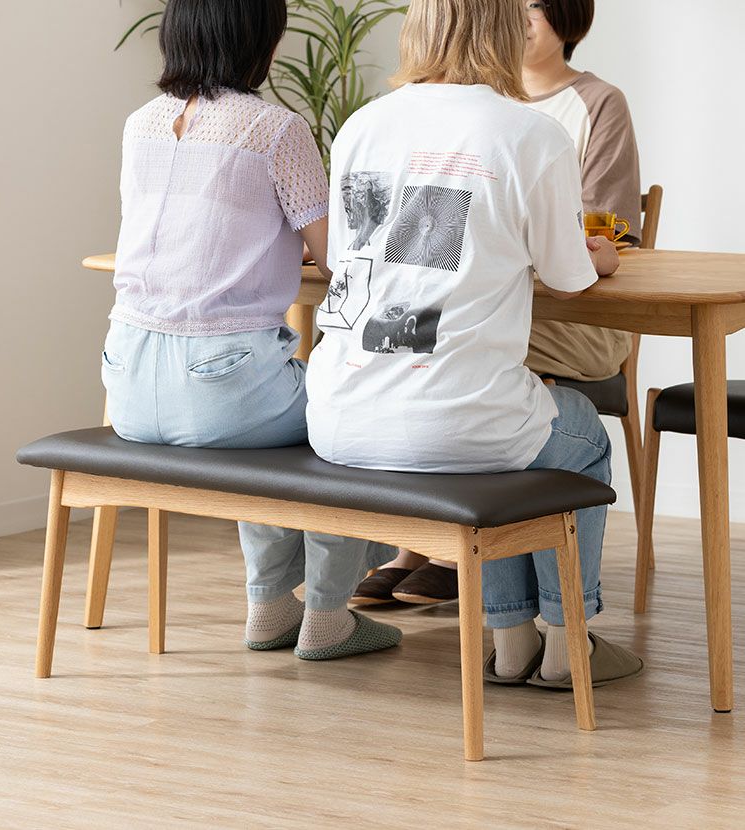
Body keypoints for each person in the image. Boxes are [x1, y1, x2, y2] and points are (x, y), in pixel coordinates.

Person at [308, 0, 641, 685]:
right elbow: (569, 278)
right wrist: (598, 257)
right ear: (504, 30)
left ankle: (511, 643)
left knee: (502, 428)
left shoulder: (361, 125)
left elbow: (344, 261)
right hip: (453, 423)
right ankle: (566, 645)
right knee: (579, 435)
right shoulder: (531, 132)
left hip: (338, 414)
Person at [102, 0, 401, 661]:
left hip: (127, 382)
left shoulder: (140, 123)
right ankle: (329, 614)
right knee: (349, 414)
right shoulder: (274, 129)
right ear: (258, 40)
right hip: (219, 389)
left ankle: (270, 606)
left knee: (266, 423)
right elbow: (338, 258)